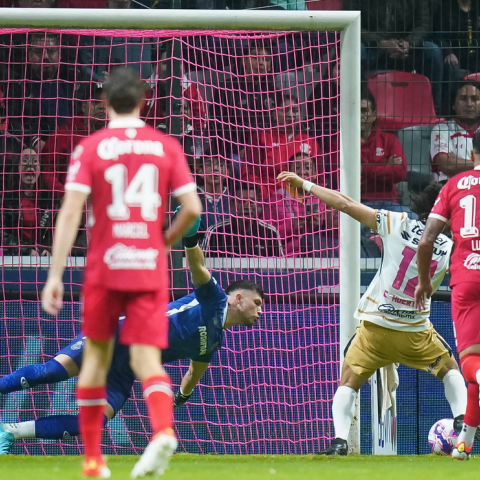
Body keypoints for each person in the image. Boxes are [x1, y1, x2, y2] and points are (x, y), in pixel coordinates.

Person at [41, 68, 202, 478]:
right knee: (148, 359)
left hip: (105, 268)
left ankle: (94, 461)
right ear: (145, 102)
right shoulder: (164, 145)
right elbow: (194, 209)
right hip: (147, 268)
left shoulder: (91, 147)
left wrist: (55, 274)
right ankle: (163, 429)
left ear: (105, 103)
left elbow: (71, 212)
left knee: (95, 358)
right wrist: (162, 243)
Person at [0, 234, 264, 453]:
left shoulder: (215, 341)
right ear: (237, 298)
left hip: (126, 367)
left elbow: (194, 372)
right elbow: (198, 268)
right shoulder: (215, 298)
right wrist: (191, 239)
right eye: (257, 303)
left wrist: (181, 397)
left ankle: (9, 432)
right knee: (52, 372)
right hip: (116, 334)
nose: (260, 311)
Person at [277, 169, 468, 456]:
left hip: (375, 329)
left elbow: (345, 204)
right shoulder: (452, 246)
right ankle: (462, 418)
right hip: (415, 333)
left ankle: (340, 441)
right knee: (450, 369)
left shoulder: (396, 222)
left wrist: (304, 183)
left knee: (349, 381)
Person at [415, 128, 480, 460]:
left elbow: (426, 241)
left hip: (467, 278)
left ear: (472, 155)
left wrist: (425, 282)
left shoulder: (455, 184)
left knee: (470, 361)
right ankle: (465, 444)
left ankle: (463, 447)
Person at [343, 0, 443, 114]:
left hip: (406, 49)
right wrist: (380, 42)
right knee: (357, 50)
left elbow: (423, 24)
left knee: (433, 52)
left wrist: (409, 43)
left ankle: (435, 111)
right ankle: (356, 109)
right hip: (372, 47)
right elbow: (351, 23)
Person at [6, 32, 77, 139]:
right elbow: (13, 124)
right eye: (39, 52)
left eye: (51, 51)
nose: (45, 57)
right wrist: (33, 142)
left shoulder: (75, 79)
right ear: (29, 55)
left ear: (60, 54)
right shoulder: (17, 86)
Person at [41, 82, 107, 197]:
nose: (102, 107)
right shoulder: (64, 133)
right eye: (96, 102)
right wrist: (65, 196)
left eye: (106, 103)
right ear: (84, 106)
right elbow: (48, 172)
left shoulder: (117, 135)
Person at [360, 89, 408, 210]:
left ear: (374, 114)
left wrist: (363, 168)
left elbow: (400, 172)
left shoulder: (389, 140)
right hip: (357, 203)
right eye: (355, 111)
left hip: (388, 203)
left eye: (364, 111)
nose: (359, 115)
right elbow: (346, 180)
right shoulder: (341, 144)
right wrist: (386, 167)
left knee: (412, 219)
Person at [430, 81, 480, 181]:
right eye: (463, 99)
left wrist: (458, 162)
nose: (469, 104)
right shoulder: (442, 130)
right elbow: (447, 165)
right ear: (453, 104)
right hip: (449, 189)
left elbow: (453, 165)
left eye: (474, 99)